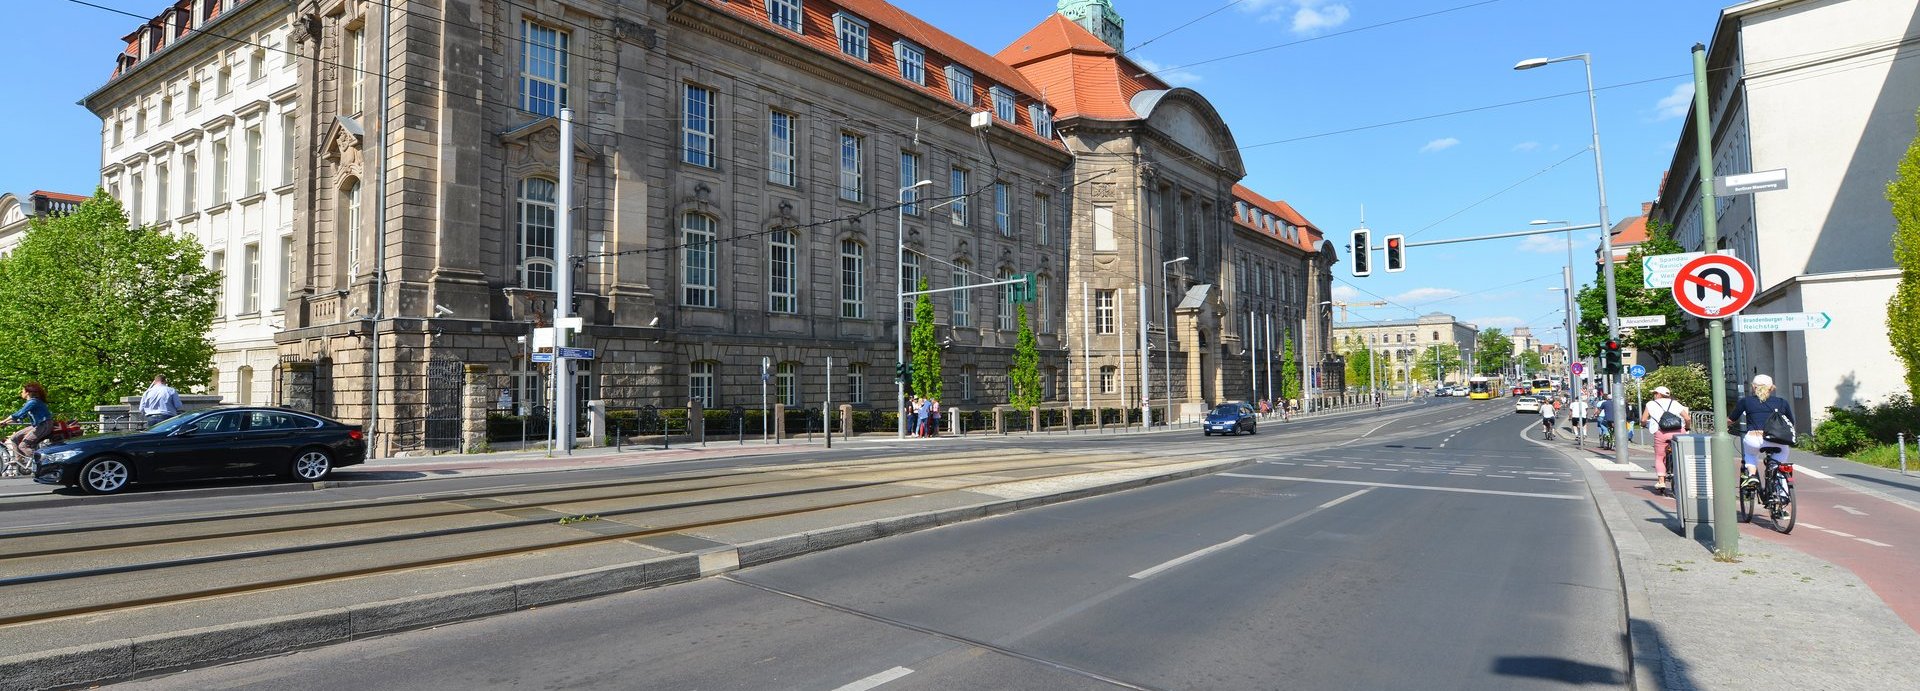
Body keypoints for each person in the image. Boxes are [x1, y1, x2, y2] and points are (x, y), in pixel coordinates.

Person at [1732, 374, 1795, 488]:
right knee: (1779, 464)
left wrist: (1724, 426)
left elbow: (1731, 419)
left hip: (1754, 439)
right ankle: (1781, 492)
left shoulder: (1746, 401)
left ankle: (1751, 476)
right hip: (1778, 440)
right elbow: (1791, 422)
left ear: (1753, 387)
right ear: (1772, 388)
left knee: (1750, 455)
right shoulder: (1782, 402)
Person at [1642, 386, 1690, 492]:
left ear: (1659, 394)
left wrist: (1643, 424)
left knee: (1660, 457)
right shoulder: (1675, 403)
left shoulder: (1650, 404)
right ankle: (1683, 478)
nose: (1654, 395)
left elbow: (1643, 419)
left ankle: (1661, 481)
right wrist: (1687, 427)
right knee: (1681, 455)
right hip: (1678, 432)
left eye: (1655, 393)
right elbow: (1687, 418)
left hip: (1661, 432)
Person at [6, 383, 54, 462]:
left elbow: (18, 414)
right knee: (14, 438)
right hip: (37, 425)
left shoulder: (33, 402)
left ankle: (45, 459)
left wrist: (3, 421)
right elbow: (20, 417)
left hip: (44, 425)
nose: (21, 393)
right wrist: (6, 423)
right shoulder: (31, 403)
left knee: (23, 446)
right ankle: (19, 460)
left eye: (22, 391)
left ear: (27, 393)